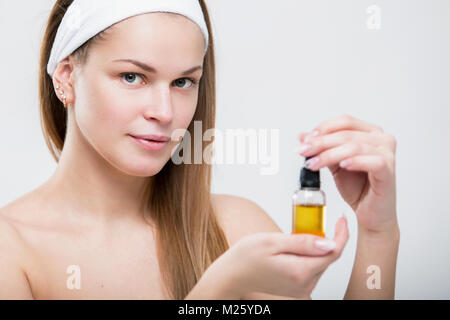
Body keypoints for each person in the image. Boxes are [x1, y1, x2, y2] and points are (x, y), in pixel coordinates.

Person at [0, 0, 399, 300]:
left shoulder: (237, 230)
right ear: (66, 77)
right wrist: (219, 289)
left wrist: (378, 232)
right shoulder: (12, 250)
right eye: (133, 76)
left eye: (183, 82)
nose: (165, 112)